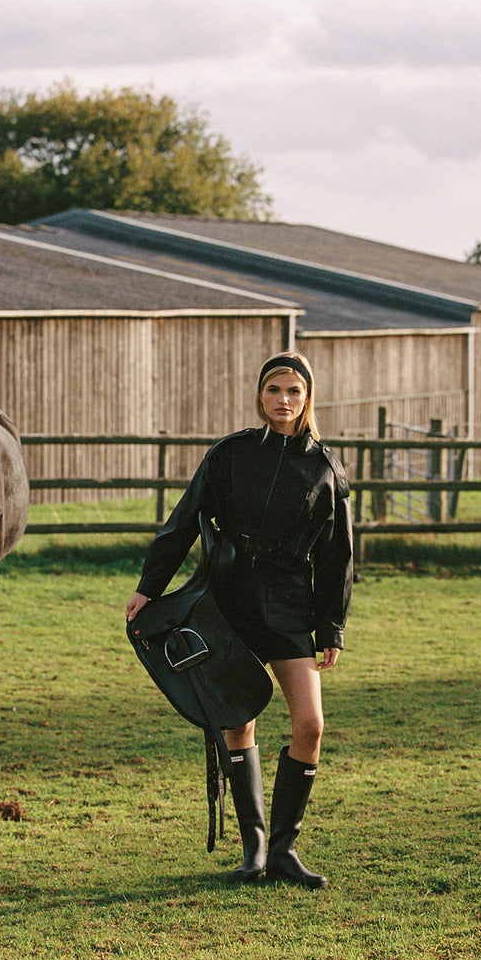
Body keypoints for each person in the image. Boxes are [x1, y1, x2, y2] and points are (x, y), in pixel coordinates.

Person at [126, 352, 353, 888]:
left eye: (293, 391)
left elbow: (338, 556)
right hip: (226, 601)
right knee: (239, 717)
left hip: (289, 607)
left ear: (307, 398)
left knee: (311, 725)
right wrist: (147, 588)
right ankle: (253, 850)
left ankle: (283, 849)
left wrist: (332, 626)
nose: (283, 400)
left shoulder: (324, 467)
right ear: (260, 396)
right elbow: (182, 521)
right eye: (274, 389)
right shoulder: (230, 454)